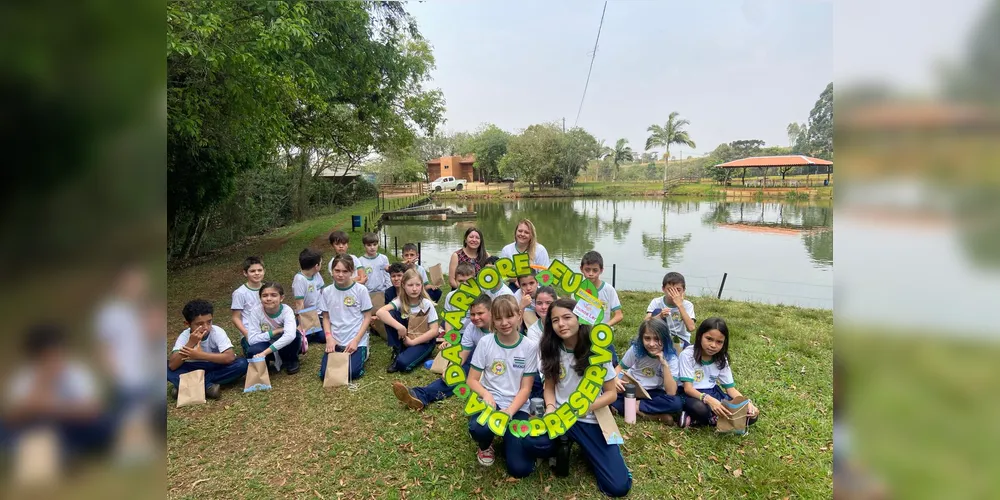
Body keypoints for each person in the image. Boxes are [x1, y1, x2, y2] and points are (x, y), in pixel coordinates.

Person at [532, 298, 631, 498]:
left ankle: (586, 449)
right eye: (555, 320)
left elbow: (611, 394)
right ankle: (563, 442)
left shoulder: (598, 351)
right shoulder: (549, 347)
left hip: (590, 418)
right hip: (560, 415)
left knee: (618, 487)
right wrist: (550, 408)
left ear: (580, 319)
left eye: (567, 317)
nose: (561, 324)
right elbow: (549, 386)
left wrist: (585, 407)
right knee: (532, 443)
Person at [2, 324, 114, 462]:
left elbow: (92, 410)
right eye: (48, 356)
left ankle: (71, 451)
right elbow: (13, 416)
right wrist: (42, 382)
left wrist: (50, 408)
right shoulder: (24, 377)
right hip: (39, 428)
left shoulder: (76, 371)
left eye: (59, 353)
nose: (56, 360)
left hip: (74, 426)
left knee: (105, 422)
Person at [466, 296, 539, 477]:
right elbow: (472, 380)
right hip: (491, 402)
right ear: (493, 320)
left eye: (509, 316)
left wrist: (509, 412)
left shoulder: (529, 347)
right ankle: (486, 445)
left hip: (516, 406)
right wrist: (486, 394)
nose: (504, 323)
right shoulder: (485, 343)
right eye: (498, 318)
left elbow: (525, 388)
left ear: (519, 316)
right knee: (478, 428)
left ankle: (510, 438)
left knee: (520, 469)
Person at [391, 294, 493, 410]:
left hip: (497, 367)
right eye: (473, 314)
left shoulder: (500, 328)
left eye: (480, 313)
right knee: (457, 374)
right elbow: (463, 353)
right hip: (478, 364)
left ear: (491, 312)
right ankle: (419, 395)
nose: (475, 317)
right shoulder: (471, 327)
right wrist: (452, 369)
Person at [677, 317, 760, 429]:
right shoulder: (687, 355)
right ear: (699, 336)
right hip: (692, 395)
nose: (713, 345)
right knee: (700, 409)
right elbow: (688, 388)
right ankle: (700, 416)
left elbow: (731, 389)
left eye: (719, 342)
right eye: (709, 339)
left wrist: (747, 403)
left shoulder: (721, 358)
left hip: (713, 392)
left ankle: (701, 420)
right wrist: (709, 400)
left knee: (751, 416)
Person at [168, 300, 249, 399]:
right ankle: (208, 387)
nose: (206, 327)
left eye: (209, 322)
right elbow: (172, 365)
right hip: (193, 368)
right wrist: (190, 343)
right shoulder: (185, 336)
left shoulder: (217, 332)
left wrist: (200, 355)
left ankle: (186, 387)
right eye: (200, 324)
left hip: (215, 366)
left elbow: (230, 357)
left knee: (242, 364)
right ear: (187, 324)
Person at [610, 318, 682, 423]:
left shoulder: (671, 358)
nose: (652, 344)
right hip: (632, 389)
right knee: (610, 395)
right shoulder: (636, 350)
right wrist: (615, 379)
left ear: (665, 339)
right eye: (647, 338)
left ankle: (634, 407)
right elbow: (619, 368)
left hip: (654, 393)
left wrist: (664, 364)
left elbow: (671, 392)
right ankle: (651, 416)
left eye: (657, 339)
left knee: (676, 403)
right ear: (641, 338)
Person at [318, 255, 374, 382]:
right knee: (325, 374)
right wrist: (329, 338)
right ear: (332, 271)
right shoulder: (327, 291)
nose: (340, 275)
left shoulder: (361, 290)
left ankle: (364, 350)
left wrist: (356, 340)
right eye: (337, 271)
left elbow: (367, 317)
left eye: (345, 271)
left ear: (352, 272)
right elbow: (325, 317)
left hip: (355, 340)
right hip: (336, 340)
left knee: (352, 372)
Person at [376, 269, 439, 373]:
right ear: (403, 285)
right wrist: (399, 327)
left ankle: (407, 355)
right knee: (390, 314)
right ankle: (398, 349)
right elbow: (380, 312)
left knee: (403, 364)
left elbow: (434, 330)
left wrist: (413, 342)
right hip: (406, 337)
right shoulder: (400, 301)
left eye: (417, 285)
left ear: (422, 285)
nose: (414, 289)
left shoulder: (426, 304)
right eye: (410, 285)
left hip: (423, 341)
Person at [242, 282, 301, 375]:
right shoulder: (255, 312)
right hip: (267, 343)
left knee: (296, 335)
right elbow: (252, 339)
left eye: (273, 295)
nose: (269, 299)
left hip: (284, 346)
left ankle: (291, 360)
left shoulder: (287, 310)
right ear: (260, 298)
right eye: (265, 295)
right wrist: (274, 332)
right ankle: (264, 365)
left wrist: (265, 353)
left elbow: (290, 335)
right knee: (252, 350)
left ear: (281, 298)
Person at [645, 272, 696, 352]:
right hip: (659, 336)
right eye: (670, 290)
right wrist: (660, 316)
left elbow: (691, 328)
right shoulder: (656, 302)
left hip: (680, 338)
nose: (673, 294)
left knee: (687, 354)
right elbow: (645, 323)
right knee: (657, 311)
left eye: (678, 290)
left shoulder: (687, 305)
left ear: (683, 290)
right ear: (663, 289)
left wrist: (680, 306)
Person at [499, 219, 550, 291]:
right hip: (515, 285)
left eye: (526, 232)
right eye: (520, 231)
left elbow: (545, 274)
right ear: (515, 232)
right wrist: (515, 279)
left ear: (531, 235)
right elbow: (502, 275)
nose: (522, 234)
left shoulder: (540, 249)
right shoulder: (507, 249)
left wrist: (532, 284)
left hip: (536, 285)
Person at [525, 286, 556, 399]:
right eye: (539, 303)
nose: (544, 307)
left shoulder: (563, 324)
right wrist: (546, 379)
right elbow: (539, 358)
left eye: (548, 303)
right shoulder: (533, 330)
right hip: (546, 370)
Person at [358, 232, 391, 337]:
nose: (372, 248)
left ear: (378, 244)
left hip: (382, 292)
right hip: (368, 294)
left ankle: (379, 326)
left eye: (374, 244)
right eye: (369, 245)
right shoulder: (360, 261)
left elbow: (387, 277)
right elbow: (360, 280)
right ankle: (370, 326)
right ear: (364, 246)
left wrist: (388, 291)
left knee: (384, 315)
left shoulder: (383, 258)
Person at [580, 251, 623, 328]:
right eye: (587, 270)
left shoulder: (609, 289)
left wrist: (605, 326)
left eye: (595, 270)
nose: (591, 273)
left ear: (601, 270)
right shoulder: (577, 290)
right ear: (581, 269)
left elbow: (619, 315)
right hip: (583, 332)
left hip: (602, 332)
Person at [230, 256, 265, 353]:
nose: (257, 273)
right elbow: (235, 318)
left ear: (264, 271)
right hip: (251, 332)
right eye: (252, 271)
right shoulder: (240, 293)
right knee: (256, 354)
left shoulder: (268, 289)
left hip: (268, 329)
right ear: (245, 273)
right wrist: (247, 334)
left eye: (259, 270)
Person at [293, 248, 326, 344]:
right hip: (307, 315)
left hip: (319, 314)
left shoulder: (316, 274)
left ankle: (315, 330)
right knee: (299, 336)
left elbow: (323, 291)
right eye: (321, 263)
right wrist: (302, 323)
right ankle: (306, 333)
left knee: (323, 337)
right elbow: (300, 304)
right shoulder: (299, 279)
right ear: (316, 266)